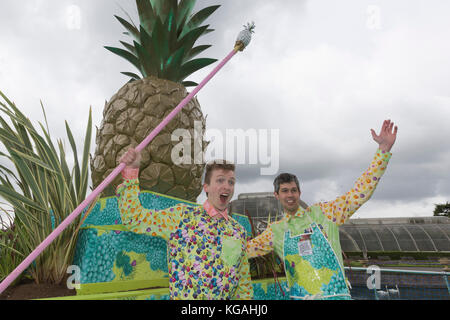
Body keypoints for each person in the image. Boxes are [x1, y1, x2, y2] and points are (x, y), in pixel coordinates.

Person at [246, 119, 398, 300]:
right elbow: (244, 250)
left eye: (293, 190)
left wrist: (383, 151)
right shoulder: (275, 231)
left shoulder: (324, 213)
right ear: (276, 195)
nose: (290, 195)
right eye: (285, 191)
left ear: (300, 192)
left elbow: (359, 193)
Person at [116, 149, 253, 300]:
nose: (227, 186)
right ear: (205, 187)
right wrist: (131, 171)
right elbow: (134, 218)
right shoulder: (181, 217)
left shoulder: (238, 231)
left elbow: (244, 284)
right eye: (220, 180)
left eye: (231, 182)